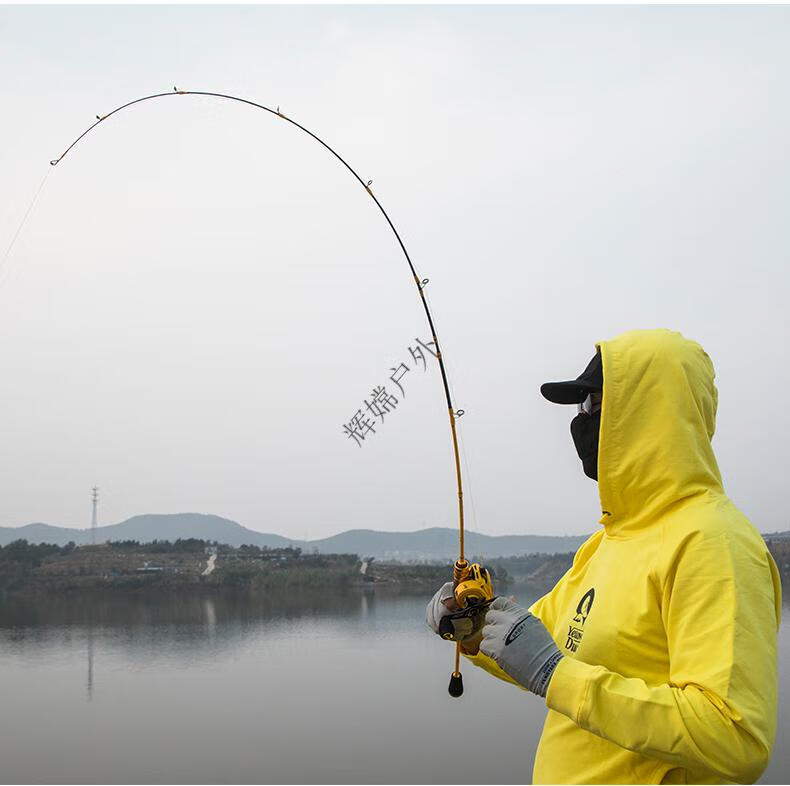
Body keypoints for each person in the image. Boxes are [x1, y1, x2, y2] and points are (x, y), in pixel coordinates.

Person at [426, 328, 781, 784]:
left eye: (592, 404)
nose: (580, 420)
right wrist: (472, 629)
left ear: (648, 413)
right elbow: (536, 649)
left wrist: (558, 676)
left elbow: (735, 737)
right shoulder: (608, 542)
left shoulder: (713, 543)